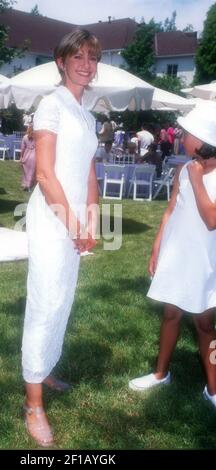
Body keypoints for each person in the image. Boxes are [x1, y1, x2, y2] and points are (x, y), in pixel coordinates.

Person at [21, 29, 101, 447]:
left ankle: (45, 367)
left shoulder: (88, 115)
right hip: (52, 217)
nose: (86, 65)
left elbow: (88, 171)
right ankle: (33, 403)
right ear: (61, 61)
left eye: (92, 58)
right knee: (45, 301)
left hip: (74, 219)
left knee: (63, 299)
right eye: (79, 57)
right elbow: (47, 174)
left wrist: (91, 221)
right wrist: (73, 225)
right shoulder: (50, 106)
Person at [129, 102, 216, 409]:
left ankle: (213, 389)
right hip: (178, 254)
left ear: (203, 138)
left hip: (205, 260)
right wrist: (157, 246)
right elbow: (170, 212)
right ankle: (160, 372)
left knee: (205, 323)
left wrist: (196, 179)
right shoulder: (183, 168)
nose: (180, 135)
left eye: (186, 132)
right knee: (171, 314)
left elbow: (212, 219)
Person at [20, 124, 36, 191]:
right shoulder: (37, 137)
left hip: (26, 156)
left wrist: (21, 156)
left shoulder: (25, 137)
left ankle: (26, 185)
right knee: (32, 172)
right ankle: (30, 186)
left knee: (26, 172)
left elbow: (22, 148)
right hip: (35, 156)